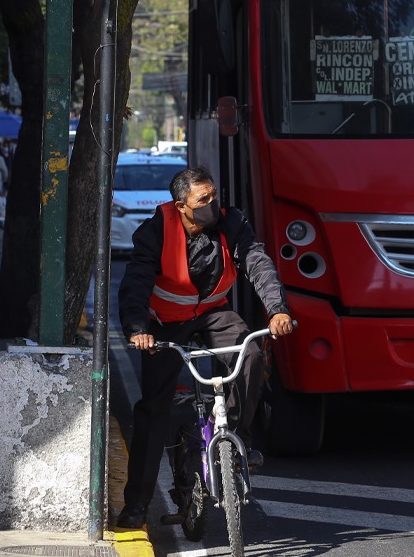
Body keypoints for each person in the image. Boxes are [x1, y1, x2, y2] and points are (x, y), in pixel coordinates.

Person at [115, 166, 295, 529]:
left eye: (214, 196)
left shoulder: (231, 223)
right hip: (165, 322)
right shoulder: (154, 232)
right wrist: (138, 329)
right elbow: (135, 282)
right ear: (181, 206)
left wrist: (277, 309)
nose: (213, 204)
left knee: (251, 354)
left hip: (213, 314)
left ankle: (234, 436)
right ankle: (136, 505)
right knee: (153, 411)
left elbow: (258, 263)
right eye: (204, 200)